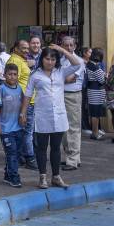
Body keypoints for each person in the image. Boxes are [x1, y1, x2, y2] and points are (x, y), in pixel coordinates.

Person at [20, 44, 83, 189]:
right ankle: (42, 177)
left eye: (53, 59)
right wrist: (23, 113)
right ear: (42, 59)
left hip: (59, 116)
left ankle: (56, 177)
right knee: (41, 148)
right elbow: (28, 95)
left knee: (56, 148)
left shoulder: (60, 72)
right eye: (47, 59)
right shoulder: (35, 75)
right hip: (42, 116)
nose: (50, 62)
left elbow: (77, 63)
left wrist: (61, 50)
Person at [0, 62, 24, 188]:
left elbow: (23, 105)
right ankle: (14, 177)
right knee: (11, 153)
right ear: (5, 75)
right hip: (6, 129)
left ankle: (7, 174)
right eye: (9, 74)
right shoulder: (1, 89)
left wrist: (24, 117)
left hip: (18, 128)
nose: (12, 77)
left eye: (14, 74)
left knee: (16, 153)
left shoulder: (19, 89)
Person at [7, 40, 36, 169]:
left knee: (23, 131)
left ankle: (21, 157)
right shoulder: (14, 61)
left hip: (28, 101)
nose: (26, 50)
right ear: (16, 48)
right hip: (23, 103)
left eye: (27, 48)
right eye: (23, 48)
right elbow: (11, 82)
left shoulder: (21, 60)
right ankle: (30, 158)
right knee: (27, 132)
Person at [60, 36, 85, 171]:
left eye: (71, 45)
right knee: (63, 128)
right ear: (62, 46)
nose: (68, 48)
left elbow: (69, 79)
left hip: (73, 96)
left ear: (75, 46)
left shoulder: (79, 61)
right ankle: (74, 157)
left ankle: (72, 160)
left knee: (73, 128)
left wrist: (56, 79)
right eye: (65, 45)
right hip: (60, 96)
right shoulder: (59, 61)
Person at [84, 48, 107, 140]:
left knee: (94, 113)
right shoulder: (95, 66)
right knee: (95, 114)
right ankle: (95, 133)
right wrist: (105, 76)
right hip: (96, 90)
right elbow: (101, 79)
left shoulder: (89, 64)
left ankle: (95, 132)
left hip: (92, 90)